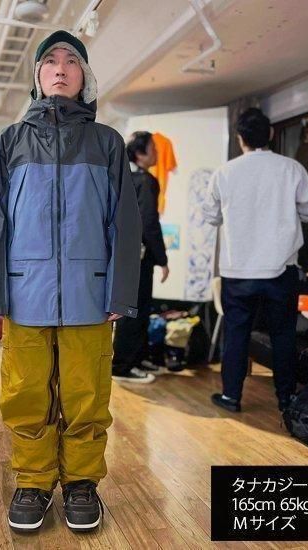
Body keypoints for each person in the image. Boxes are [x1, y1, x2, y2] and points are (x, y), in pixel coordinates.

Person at [0, 30, 141, 533]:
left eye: (71, 61)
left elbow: (124, 223)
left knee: (87, 395)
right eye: (50, 61)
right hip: (25, 294)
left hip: (90, 293)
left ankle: (82, 482)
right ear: (38, 75)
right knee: (25, 394)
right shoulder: (9, 142)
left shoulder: (107, 143)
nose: (61, 69)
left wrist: (120, 291)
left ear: (85, 77)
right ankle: (33, 481)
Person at [202, 108, 308, 413]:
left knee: (236, 334)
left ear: (239, 138)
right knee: (283, 335)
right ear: (270, 134)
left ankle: (231, 397)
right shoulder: (291, 169)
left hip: (237, 271)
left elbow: (210, 216)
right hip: (280, 270)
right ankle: (286, 398)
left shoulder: (224, 172)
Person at [112, 131, 169, 384]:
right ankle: (123, 366)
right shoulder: (145, 180)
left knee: (135, 308)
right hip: (139, 256)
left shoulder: (124, 178)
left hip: (124, 254)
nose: (156, 153)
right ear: (139, 153)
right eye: (153, 148)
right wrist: (163, 259)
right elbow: (149, 223)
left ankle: (137, 358)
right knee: (135, 309)